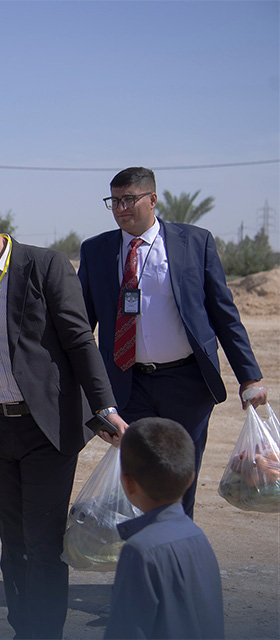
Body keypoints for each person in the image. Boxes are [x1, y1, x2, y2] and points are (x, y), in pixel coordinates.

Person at [0, 187, 126, 639]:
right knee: (13, 544)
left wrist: (104, 406)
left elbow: (79, 340)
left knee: (44, 543)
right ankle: (23, 630)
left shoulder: (44, 265)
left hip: (46, 430)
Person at [78, 166, 267, 519]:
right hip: (127, 383)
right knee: (136, 477)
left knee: (179, 478)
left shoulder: (194, 243)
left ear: (152, 199)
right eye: (114, 201)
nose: (121, 208)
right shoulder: (95, 251)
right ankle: (141, 549)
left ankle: (175, 546)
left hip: (187, 383)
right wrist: (89, 397)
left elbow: (224, 314)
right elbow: (81, 328)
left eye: (129, 199)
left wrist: (249, 377)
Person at [105, 417, 224, 639]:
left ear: (127, 483)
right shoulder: (198, 536)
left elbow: (126, 631)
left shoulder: (140, 550)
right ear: (190, 480)